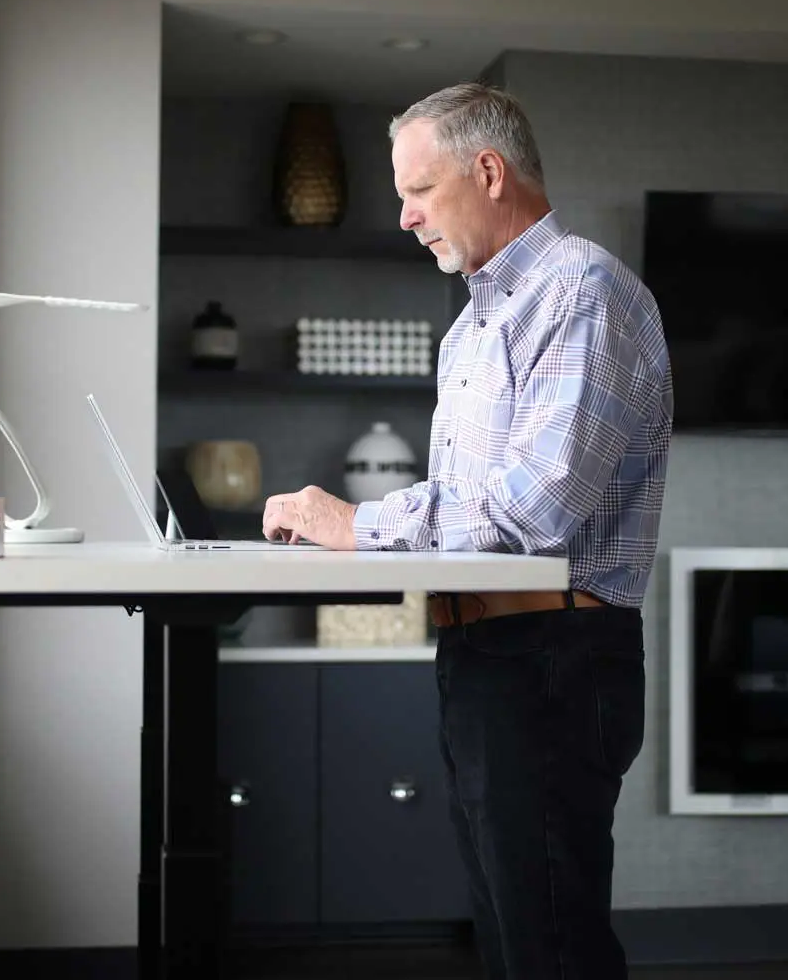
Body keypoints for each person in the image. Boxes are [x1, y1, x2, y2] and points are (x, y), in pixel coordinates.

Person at [261, 81, 673, 978]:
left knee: (550, 950)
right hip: (488, 656)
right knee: (510, 942)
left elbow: (530, 513)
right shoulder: (471, 329)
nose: (405, 217)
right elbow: (465, 517)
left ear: (487, 172)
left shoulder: (582, 292)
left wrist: (356, 523)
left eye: (419, 190)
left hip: (554, 655)